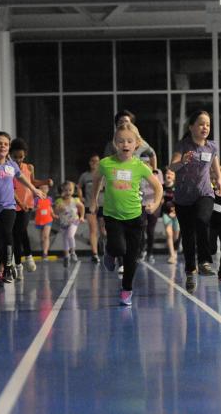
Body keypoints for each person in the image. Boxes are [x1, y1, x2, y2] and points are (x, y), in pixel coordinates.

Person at [92, 122, 162, 306]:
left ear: (136, 145)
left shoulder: (140, 166)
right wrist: (93, 200)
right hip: (113, 216)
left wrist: (154, 204)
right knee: (118, 248)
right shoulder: (106, 163)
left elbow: (158, 187)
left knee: (131, 257)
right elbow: (97, 180)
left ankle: (127, 289)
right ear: (115, 143)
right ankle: (110, 252)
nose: (125, 144)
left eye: (129, 141)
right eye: (121, 141)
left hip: (135, 217)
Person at [0, 132, 45, 286]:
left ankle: (7, 268)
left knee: (7, 234)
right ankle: (5, 264)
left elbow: (21, 177)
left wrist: (34, 189)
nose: (3, 146)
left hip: (8, 207)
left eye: (6, 144)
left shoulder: (11, 165)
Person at [168, 110, 221, 291]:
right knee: (188, 236)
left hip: (204, 193)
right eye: (201, 124)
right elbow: (172, 166)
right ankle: (190, 272)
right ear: (191, 127)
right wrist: (183, 161)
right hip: (183, 198)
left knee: (202, 220)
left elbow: (215, 168)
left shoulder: (211, 147)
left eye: (208, 125)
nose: (205, 127)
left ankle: (204, 261)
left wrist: (220, 183)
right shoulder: (183, 145)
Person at [10, 138, 53, 276]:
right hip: (13, 205)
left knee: (20, 231)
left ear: (25, 155)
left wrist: (45, 181)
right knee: (17, 235)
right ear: (10, 155)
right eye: (15, 157)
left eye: (20, 157)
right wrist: (18, 202)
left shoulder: (29, 167)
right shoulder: (8, 168)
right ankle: (19, 264)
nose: (18, 160)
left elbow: (33, 182)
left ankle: (27, 257)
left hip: (27, 205)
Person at [77, 154, 102, 263]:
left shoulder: (103, 175)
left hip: (103, 205)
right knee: (93, 230)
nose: (94, 163)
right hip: (89, 205)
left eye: (97, 161)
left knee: (105, 231)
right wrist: (80, 196)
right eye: (92, 161)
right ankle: (95, 254)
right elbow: (78, 186)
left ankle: (108, 250)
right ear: (89, 162)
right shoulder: (85, 176)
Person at [139, 152, 163, 264]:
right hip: (141, 204)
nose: (145, 164)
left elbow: (159, 188)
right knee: (141, 229)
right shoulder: (138, 172)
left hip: (154, 204)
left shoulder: (157, 173)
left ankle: (150, 253)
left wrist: (156, 202)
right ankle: (142, 251)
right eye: (143, 162)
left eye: (147, 162)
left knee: (151, 230)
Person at [54, 181, 85, 267]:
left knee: (70, 236)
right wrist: (58, 209)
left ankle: (73, 252)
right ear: (62, 191)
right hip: (64, 223)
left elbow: (82, 207)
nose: (68, 192)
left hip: (74, 221)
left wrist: (82, 216)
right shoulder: (59, 200)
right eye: (66, 190)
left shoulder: (75, 200)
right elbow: (55, 211)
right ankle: (66, 256)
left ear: (73, 191)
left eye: (70, 190)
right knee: (65, 240)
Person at [162, 168, 180, 264]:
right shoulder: (162, 187)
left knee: (176, 235)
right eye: (167, 173)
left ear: (174, 177)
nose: (169, 175)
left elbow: (180, 200)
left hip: (176, 213)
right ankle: (172, 255)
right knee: (169, 233)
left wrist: (175, 211)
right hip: (166, 213)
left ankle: (175, 249)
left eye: (171, 174)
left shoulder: (177, 187)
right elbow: (160, 200)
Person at [34, 183, 55, 261]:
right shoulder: (36, 199)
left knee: (46, 236)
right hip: (39, 220)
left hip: (48, 219)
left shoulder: (49, 198)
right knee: (42, 238)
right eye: (42, 188)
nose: (44, 190)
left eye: (45, 188)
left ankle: (45, 253)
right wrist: (36, 208)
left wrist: (53, 214)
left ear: (48, 189)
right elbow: (32, 208)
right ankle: (43, 251)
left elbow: (50, 207)